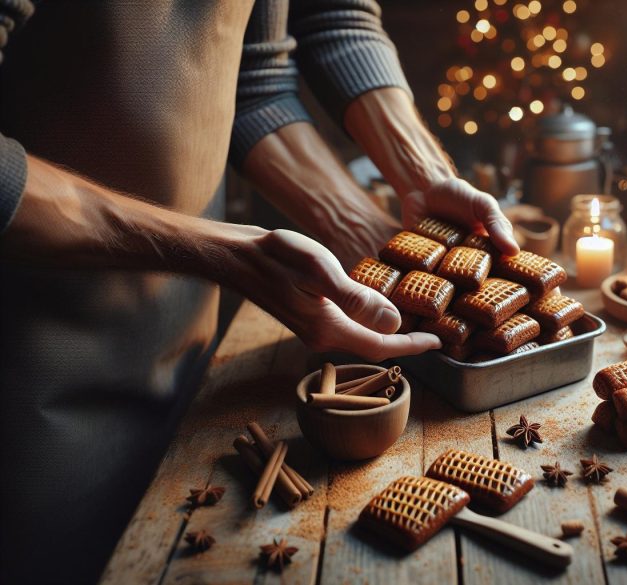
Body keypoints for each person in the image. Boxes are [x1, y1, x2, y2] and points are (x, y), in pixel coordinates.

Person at [0, 1, 518, 582]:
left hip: (187, 353)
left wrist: (402, 199)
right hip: (26, 377)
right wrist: (220, 253)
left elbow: (261, 74)